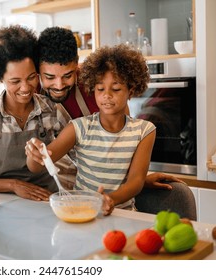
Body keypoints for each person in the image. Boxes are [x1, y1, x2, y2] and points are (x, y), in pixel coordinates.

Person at [0, 26, 185, 190]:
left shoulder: (90, 91)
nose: (58, 85)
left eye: (67, 76)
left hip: (68, 192)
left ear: (77, 67)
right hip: (26, 197)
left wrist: (136, 180)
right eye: (48, 77)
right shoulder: (4, 107)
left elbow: (105, 150)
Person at [26, 44, 156, 215]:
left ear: (130, 91)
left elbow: (136, 181)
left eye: (116, 89)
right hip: (82, 211)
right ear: (93, 90)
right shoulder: (79, 127)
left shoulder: (144, 131)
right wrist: (34, 154)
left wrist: (110, 200)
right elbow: (37, 165)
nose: (107, 95)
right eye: (100, 89)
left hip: (124, 214)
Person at [0, 25, 68, 201]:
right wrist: (14, 185)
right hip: (1, 205)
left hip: (46, 202)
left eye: (31, 77)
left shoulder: (52, 110)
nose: (25, 88)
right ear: (0, 78)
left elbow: (78, 155)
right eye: (15, 81)